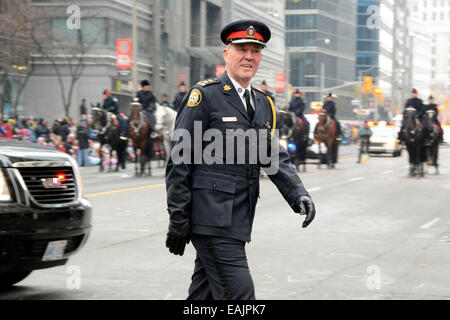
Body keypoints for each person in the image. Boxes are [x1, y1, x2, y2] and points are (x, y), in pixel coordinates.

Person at [165, 19, 316, 300]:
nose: (249, 56)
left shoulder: (263, 103)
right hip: (210, 218)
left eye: (255, 50)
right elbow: (179, 158)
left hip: (238, 219)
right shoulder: (204, 96)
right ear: (227, 54)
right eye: (241, 49)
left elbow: (272, 155)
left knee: (204, 297)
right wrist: (178, 215)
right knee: (240, 296)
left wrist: (298, 194)